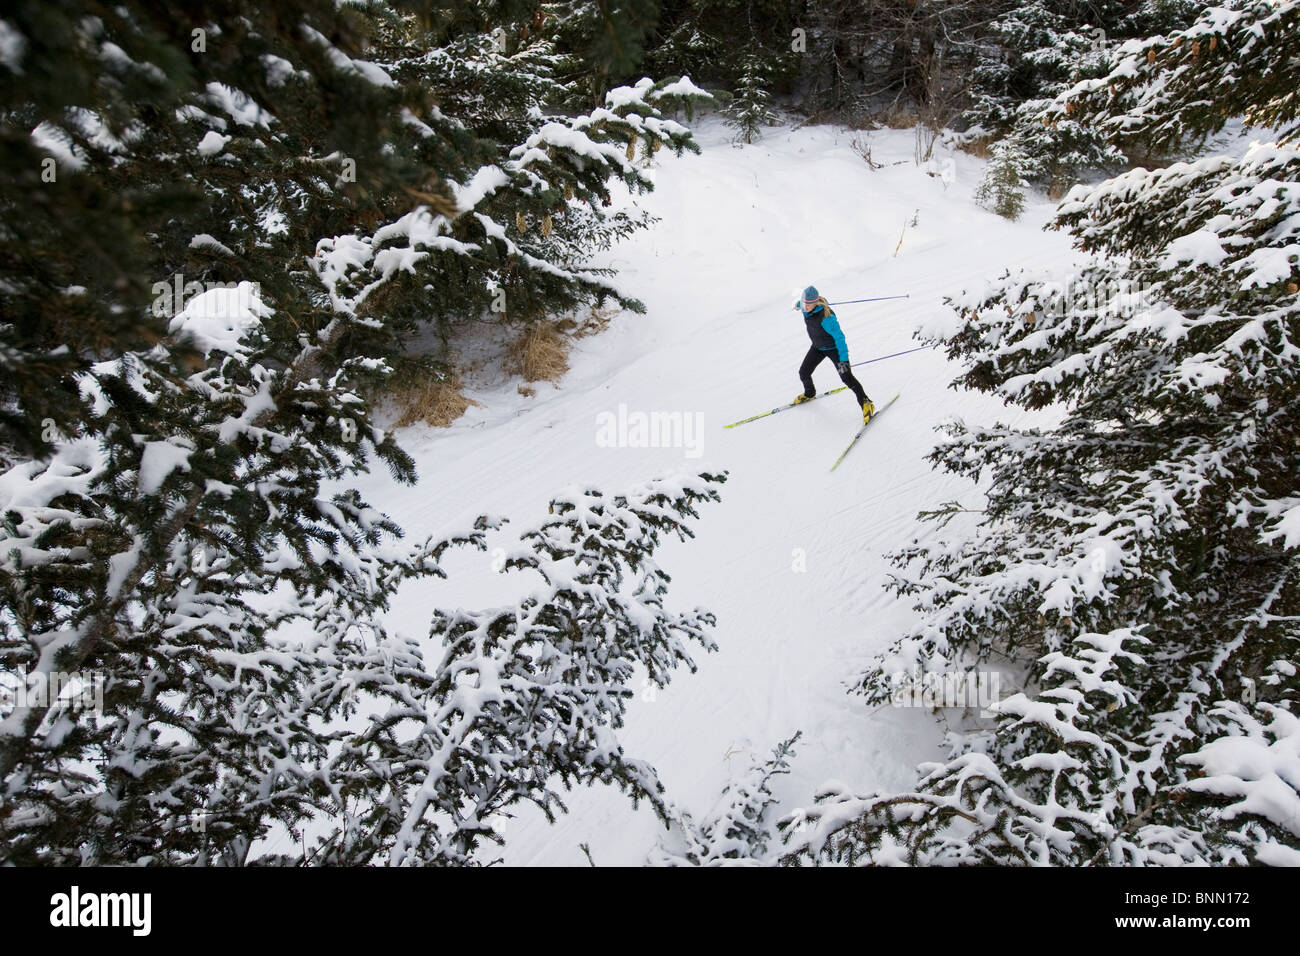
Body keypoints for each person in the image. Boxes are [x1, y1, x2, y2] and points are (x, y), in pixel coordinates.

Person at [792, 286, 874, 422]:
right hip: (817, 347)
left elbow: (840, 338)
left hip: (833, 348)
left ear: (816, 302)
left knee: (846, 377)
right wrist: (798, 304)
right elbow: (801, 304)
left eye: (808, 304)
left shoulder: (827, 318)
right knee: (804, 372)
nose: (805, 307)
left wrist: (844, 360)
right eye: (804, 303)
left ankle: (866, 403)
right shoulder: (805, 307)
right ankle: (809, 393)